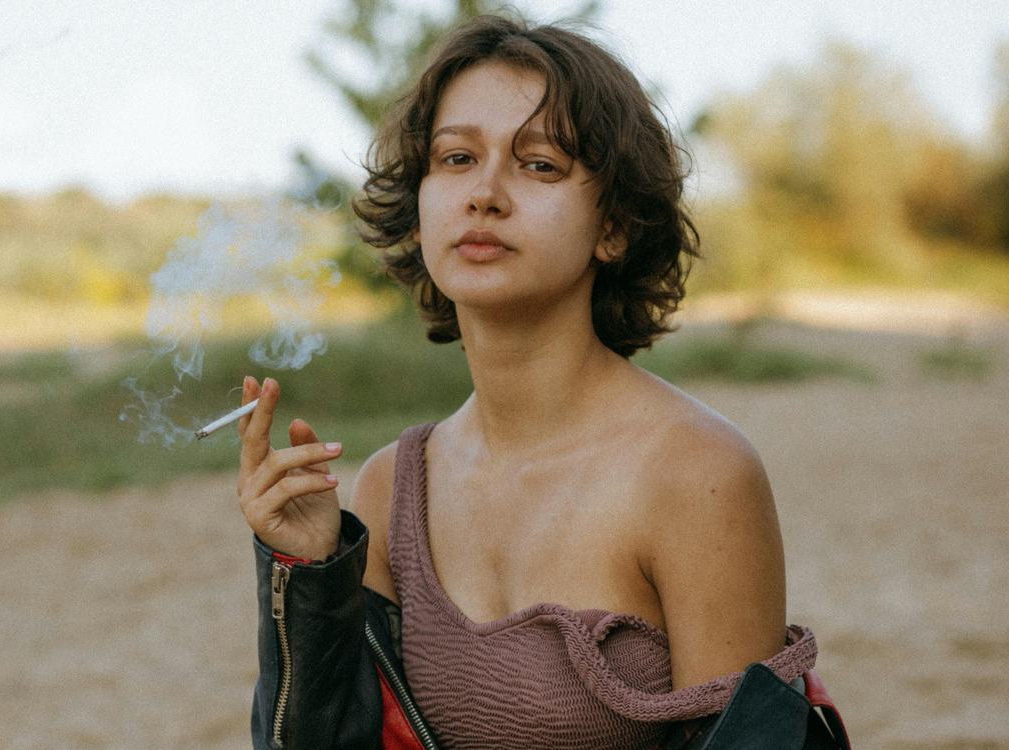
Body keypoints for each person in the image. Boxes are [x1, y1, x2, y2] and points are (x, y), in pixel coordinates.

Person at [235, 15, 844, 750]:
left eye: (540, 165)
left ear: (613, 225)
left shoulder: (698, 473)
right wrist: (308, 582)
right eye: (456, 158)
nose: (484, 193)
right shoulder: (392, 489)